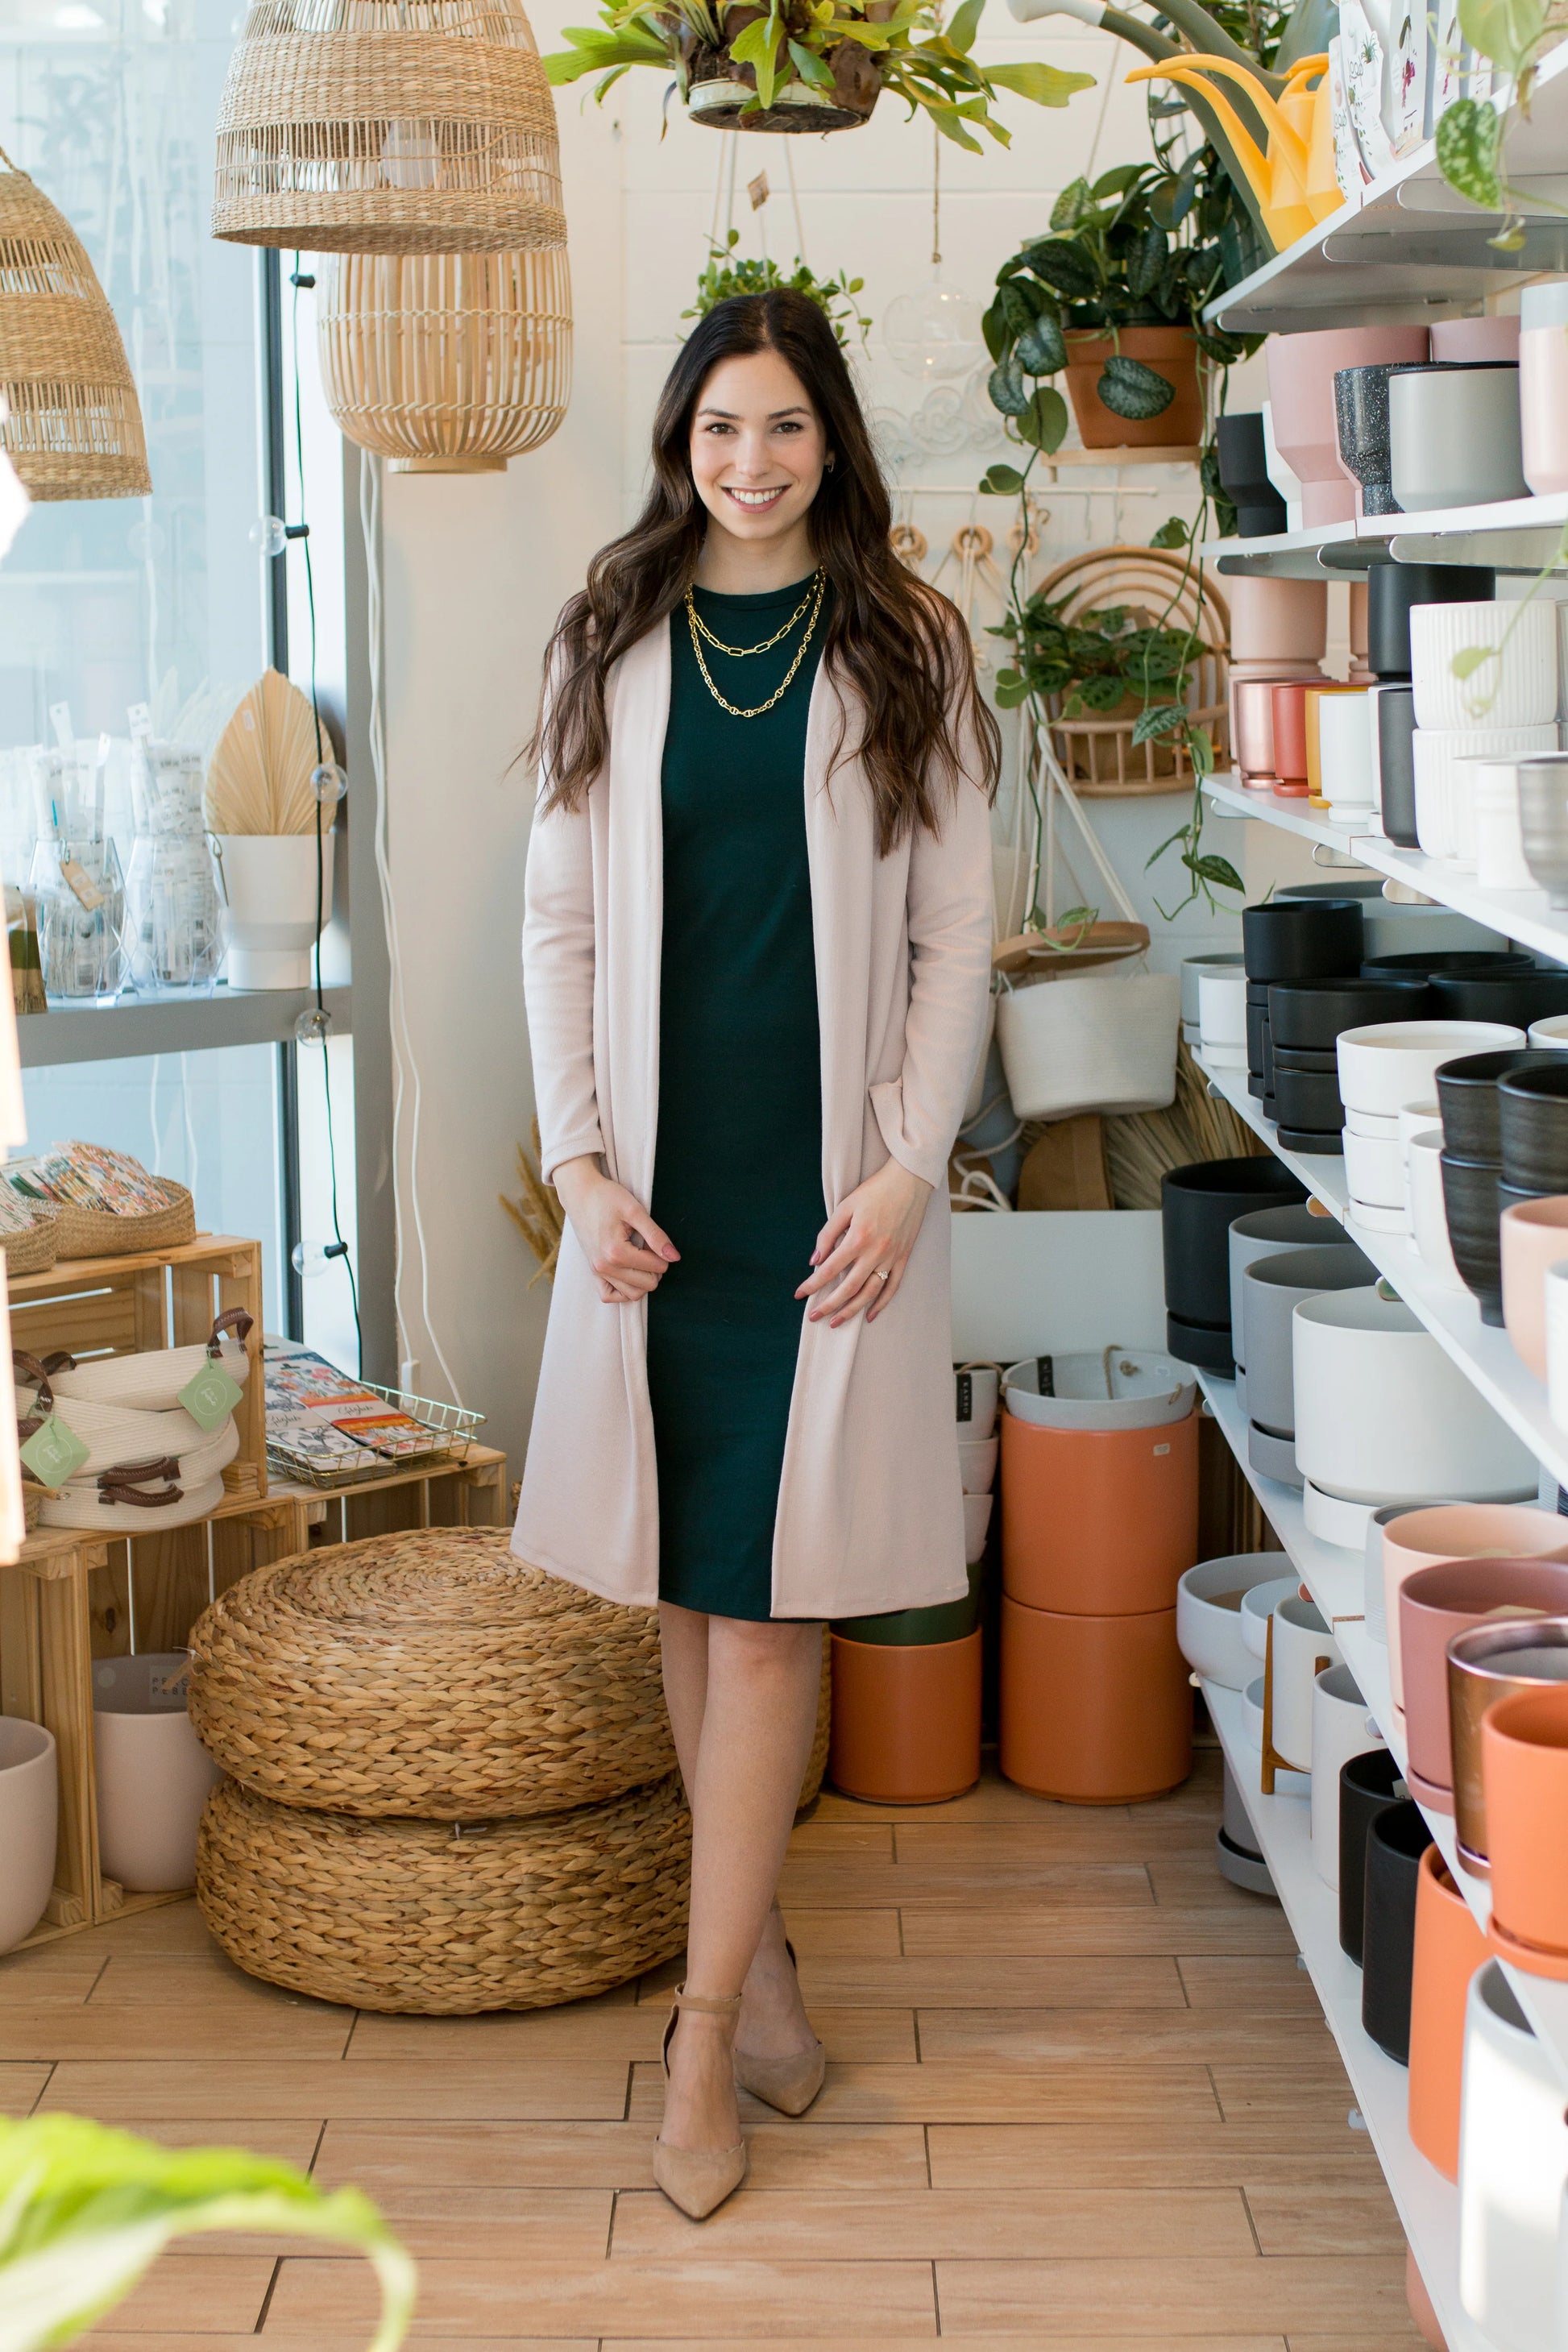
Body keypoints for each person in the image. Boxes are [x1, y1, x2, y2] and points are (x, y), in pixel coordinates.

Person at [516, 288, 1000, 2221]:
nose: (749, 462)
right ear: (677, 439)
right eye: (720, 426)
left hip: (820, 1203)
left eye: (784, 426)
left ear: (831, 442)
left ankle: (699, 2030)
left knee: (782, 1600)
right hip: (656, 1197)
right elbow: (555, 918)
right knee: (689, 1593)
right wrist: (572, 1158)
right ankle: (769, 1963)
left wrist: (905, 1171)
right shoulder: (609, 636)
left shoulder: (909, 643)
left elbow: (959, 929)